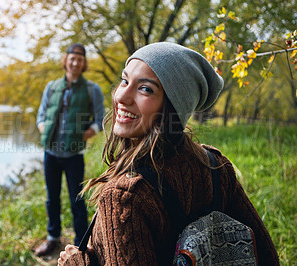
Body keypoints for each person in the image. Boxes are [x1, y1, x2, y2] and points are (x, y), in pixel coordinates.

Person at [58, 42, 279, 265]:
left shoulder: (125, 196)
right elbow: (267, 257)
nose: (122, 96)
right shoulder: (216, 166)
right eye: (125, 80)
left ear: (172, 108)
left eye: (145, 88)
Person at [35, 43, 105, 256]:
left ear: (84, 63)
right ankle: (52, 238)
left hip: (74, 155)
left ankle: (81, 245)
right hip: (51, 154)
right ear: (65, 60)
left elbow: (100, 119)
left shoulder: (92, 89)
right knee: (51, 198)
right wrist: (43, 129)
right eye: (72, 58)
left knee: (77, 199)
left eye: (80, 59)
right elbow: (41, 115)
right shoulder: (52, 86)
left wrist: (85, 135)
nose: (75, 62)